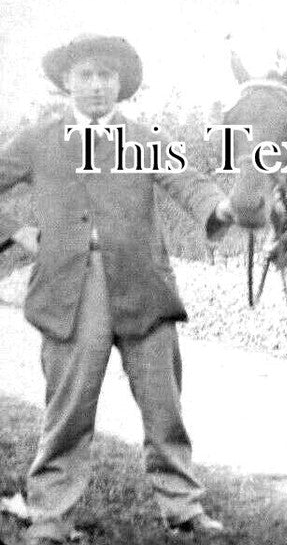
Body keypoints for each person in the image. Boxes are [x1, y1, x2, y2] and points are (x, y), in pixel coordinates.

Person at [0, 34, 236, 543]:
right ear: (66, 82)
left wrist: (219, 207)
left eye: (107, 76)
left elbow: (189, 182)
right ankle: (48, 513)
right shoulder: (39, 138)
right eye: (85, 75)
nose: (97, 86)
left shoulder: (144, 136)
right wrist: (14, 230)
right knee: (69, 406)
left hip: (144, 289)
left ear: (122, 84)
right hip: (69, 291)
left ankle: (184, 508)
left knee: (163, 404)